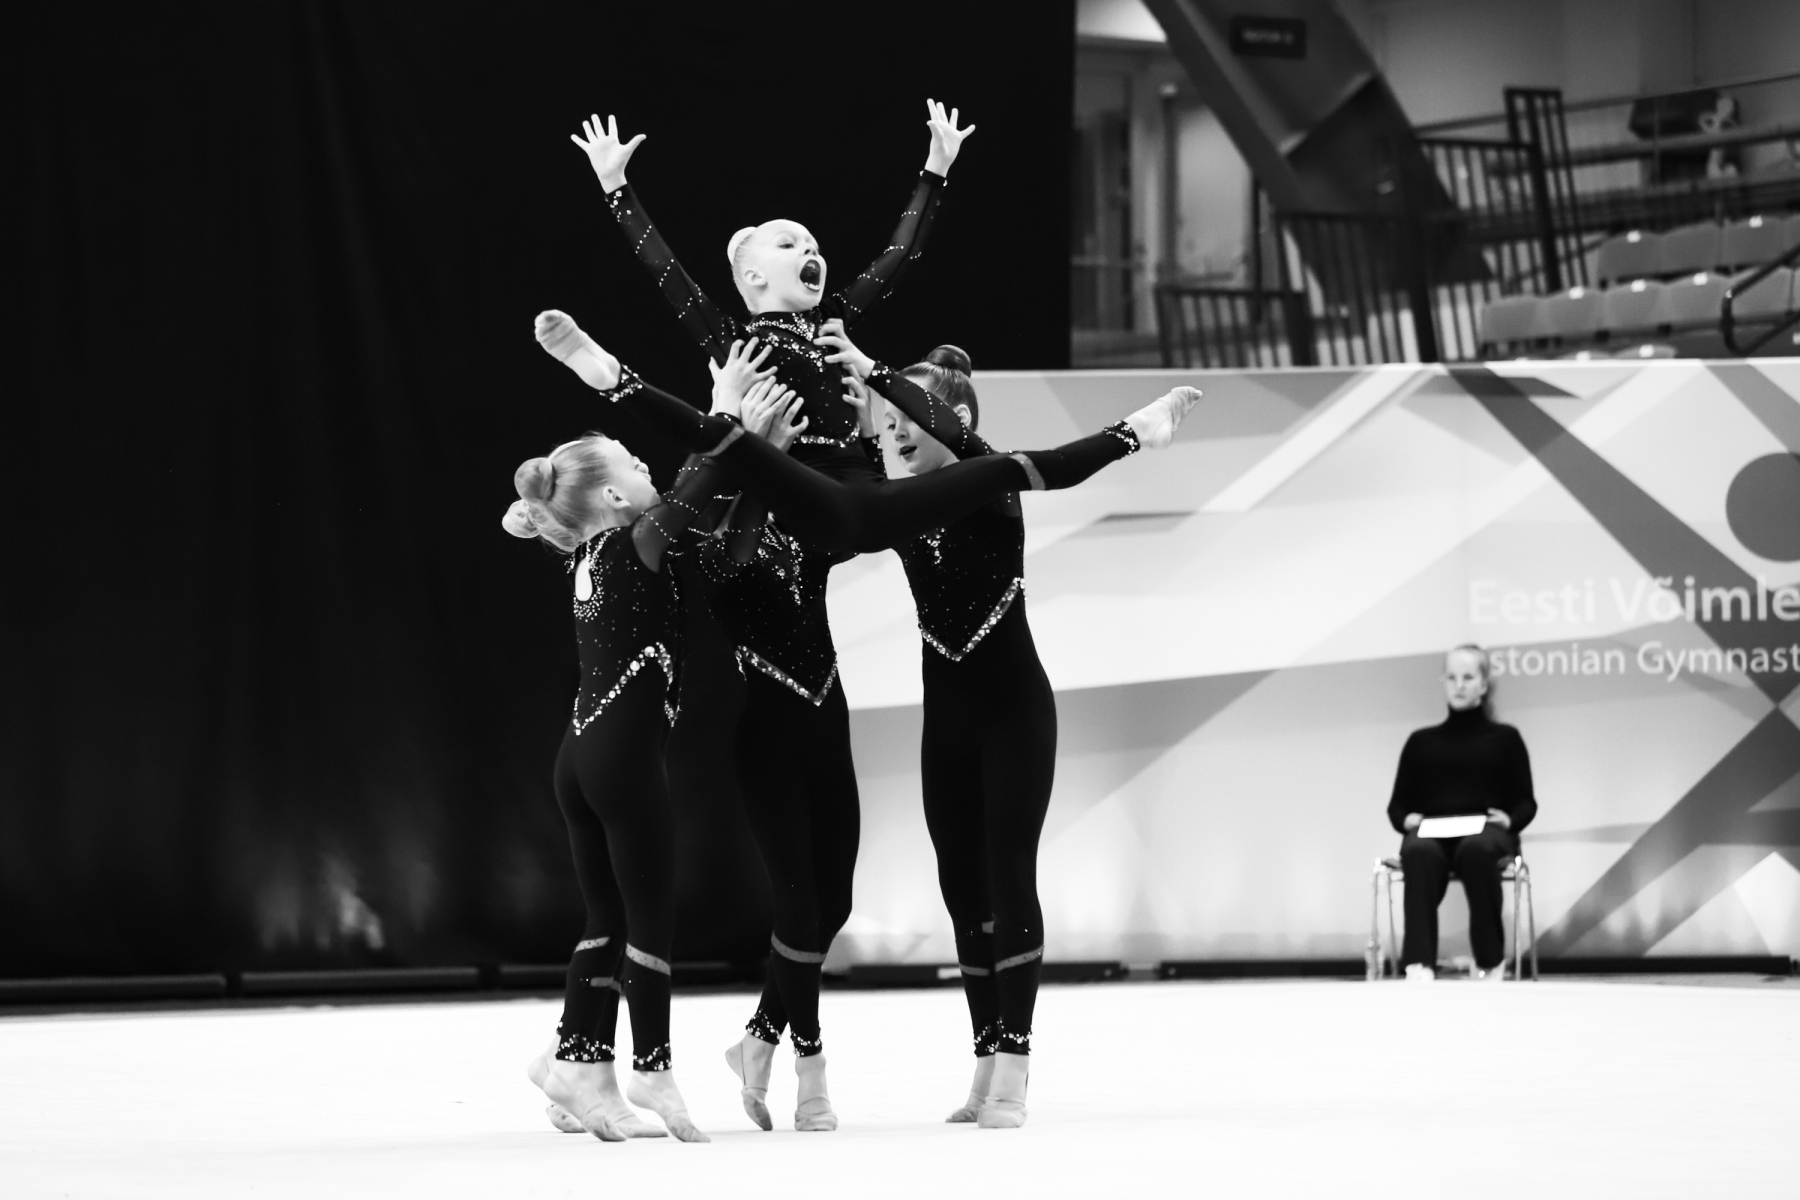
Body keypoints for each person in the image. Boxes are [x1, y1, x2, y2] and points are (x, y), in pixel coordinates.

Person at [872, 344, 1091, 1129]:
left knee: (1007, 875)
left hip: (1014, 718)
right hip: (947, 725)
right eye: (886, 422)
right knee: (962, 890)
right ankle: (986, 1055)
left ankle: (1017, 1062)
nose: (896, 431)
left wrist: (870, 367)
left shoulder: (992, 482)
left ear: (957, 420)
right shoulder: (899, 503)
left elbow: (970, 448)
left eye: (910, 416)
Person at [502, 432, 728, 1143]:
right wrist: (732, 415)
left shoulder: (589, 554)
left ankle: (576, 1061)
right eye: (633, 463)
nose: (646, 465)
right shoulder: (636, 543)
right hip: (622, 761)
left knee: (609, 920)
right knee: (649, 916)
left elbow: (701, 500)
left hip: (581, 756)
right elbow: (702, 479)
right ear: (609, 495)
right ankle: (652, 1067)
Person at [1386, 645, 1537, 981]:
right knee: (1418, 850)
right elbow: (1397, 806)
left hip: (1486, 831)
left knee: (1476, 849)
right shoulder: (1421, 743)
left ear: (1483, 684)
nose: (1459, 685)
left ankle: (1489, 960)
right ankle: (1419, 963)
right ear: (1443, 682)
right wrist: (1405, 820)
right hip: (1433, 830)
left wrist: (1510, 820)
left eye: (1468, 677)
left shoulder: (1505, 739)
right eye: (1452, 677)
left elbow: (1526, 802)